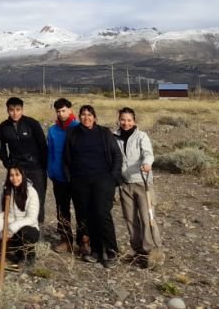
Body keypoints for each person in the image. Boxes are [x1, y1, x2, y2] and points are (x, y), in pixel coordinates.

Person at [63, 105, 122, 267]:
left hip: (103, 180)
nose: (86, 118)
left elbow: (117, 155)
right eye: (83, 115)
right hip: (80, 181)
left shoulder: (104, 133)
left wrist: (113, 177)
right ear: (79, 117)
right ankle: (96, 251)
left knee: (102, 214)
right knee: (88, 217)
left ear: (95, 117)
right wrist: (70, 179)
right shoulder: (72, 134)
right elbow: (66, 159)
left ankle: (111, 251)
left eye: (89, 115)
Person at [115, 107, 162, 268]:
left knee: (147, 217)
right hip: (124, 184)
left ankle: (152, 250)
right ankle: (138, 251)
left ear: (134, 121)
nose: (126, 123)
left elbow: (148, 153)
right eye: (123, 119)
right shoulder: (115, 138)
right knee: (130, 218)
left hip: (142, 182)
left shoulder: (142, 136)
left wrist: (147, 163)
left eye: (129, 120)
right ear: (119, 120)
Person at [0, 97, 48, 226]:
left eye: (18, 110)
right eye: (11, 110)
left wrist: (43, 166)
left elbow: (42, 145)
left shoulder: (32, 124)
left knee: (38, 199)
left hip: (35, 168)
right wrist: (7, 163)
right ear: (7, 110)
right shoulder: (3, 127)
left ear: (22, 109)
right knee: (15, 198)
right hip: (16, 168)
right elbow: (1, 147)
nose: (15, 113)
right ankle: (18, 230)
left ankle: (39, 233)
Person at [47, 98, 81, 253]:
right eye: (58, 111)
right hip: (59, 177)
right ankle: (65, 239)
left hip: (76, 177)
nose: (61, 114)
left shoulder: (78, 128)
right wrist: (51, 170)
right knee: (62, 209)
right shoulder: (53, 130)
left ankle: (84, 240)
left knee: (81, 209)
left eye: (63, 110)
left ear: (70, 110)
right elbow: (50, 152)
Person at [0, 165, 41, 269]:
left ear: (22, 175)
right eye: (11, 175)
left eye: (17, 175)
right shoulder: (5, 191)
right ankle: (16, 251)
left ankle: (29, 257)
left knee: (27, 233)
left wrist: (11, 228)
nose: (14, 178)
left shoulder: (31, 192)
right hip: (8, 230)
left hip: (26, 228)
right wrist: (1, 231)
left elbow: (32, 218)